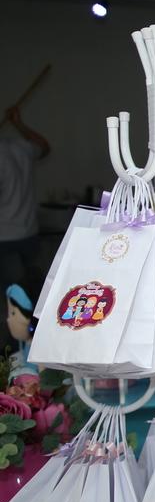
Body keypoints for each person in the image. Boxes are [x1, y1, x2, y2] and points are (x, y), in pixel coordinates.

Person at [0, 106, 49, 355]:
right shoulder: (20, 148)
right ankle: (30, 348)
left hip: (5, 239)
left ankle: (17, 353)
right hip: (29, 234)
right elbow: (43, 146)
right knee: (31, 295)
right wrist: (19, 123)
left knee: (16, 302)